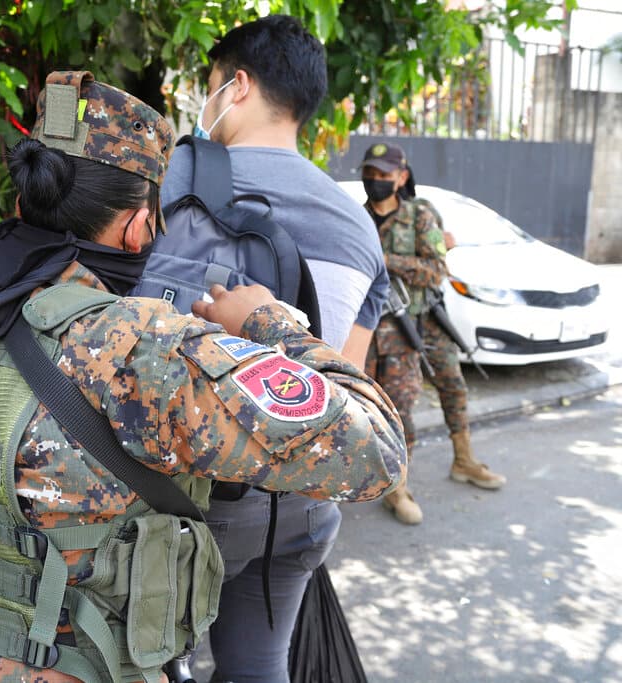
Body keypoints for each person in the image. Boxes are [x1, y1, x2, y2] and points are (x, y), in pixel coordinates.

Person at [0, 71, 406, 683]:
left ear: (22, 203)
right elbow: (376, 450)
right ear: (138, 227)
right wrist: (268, 321)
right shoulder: (144, 349)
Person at [152, 16, 389, 681]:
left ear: (237, 86)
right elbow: (348, 380)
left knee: (151, 661)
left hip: (183, 508)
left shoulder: (167, 181)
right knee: (259, 665)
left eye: (210, 84)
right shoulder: (359, 228)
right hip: (304, 506)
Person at [398, 170, 508, 490]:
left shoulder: (424, 209)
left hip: (428, 313)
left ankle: (464, 459)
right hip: (391, 320)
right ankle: (397, 482)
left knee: (453, 385)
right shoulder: (370, 215)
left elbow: (439, 259)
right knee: (399, 399)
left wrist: (437, 248)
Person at [360, 143, 447, 524]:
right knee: (358, 409)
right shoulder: (356, 217)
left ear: (401, 177)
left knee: (400, 412)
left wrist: (387, 261)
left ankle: (398, 488)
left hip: (401, 333)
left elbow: (437, 271)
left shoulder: (419, 217)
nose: (376, 180)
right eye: (370, 173)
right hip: (362, 332)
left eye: (384, 174)